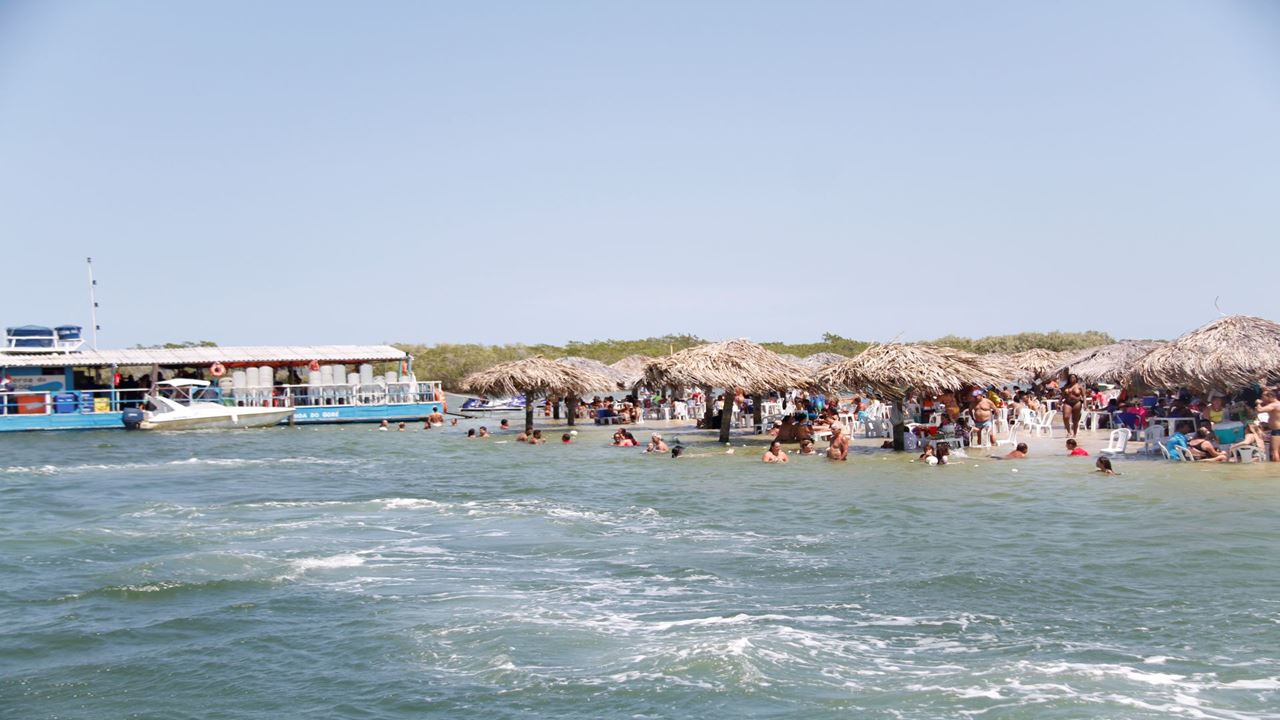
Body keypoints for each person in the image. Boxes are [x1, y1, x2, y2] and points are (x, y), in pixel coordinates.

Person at [1255, 390, 1280, 462]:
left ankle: (1275, 469)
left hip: (1277, 430)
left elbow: (1259, 410)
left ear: (1270, 396)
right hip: (1277, 429)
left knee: (1274, 451)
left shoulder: (1273, 405)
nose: (1262, 398)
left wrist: (1258, 403)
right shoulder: (1278, 404)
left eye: (1263, 396)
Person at [1062, 374, 1086, 438]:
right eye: (1071, 377)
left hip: (1077, 403)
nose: (1072, 378)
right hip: (1067, 402)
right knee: (1066, 417)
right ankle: (1069, 432)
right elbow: (1062, 395)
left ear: (1076, 378)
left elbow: (1084, 395)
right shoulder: (1066, 386)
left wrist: (1085, 404)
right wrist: (1059, 402)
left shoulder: (1079, 386)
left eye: (1073, 377)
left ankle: (1075, 433)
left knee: (1075, 419)